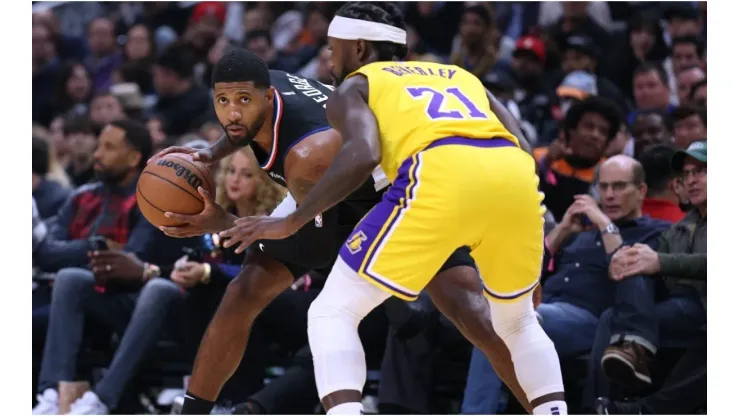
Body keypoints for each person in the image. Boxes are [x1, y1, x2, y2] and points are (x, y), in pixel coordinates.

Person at [220, 2, 567, 414]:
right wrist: (534, 237)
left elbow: (363, 154)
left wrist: (294, 218)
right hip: (513, 180)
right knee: (519, 322)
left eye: (335, 49)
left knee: (333, 311)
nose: (330, 60)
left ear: (361, 50)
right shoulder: (461, 75)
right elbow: (523, 149)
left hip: (438, 173)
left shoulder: (355, 86)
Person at [151, 44, 534, 414]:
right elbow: (243, 129)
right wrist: (210, 153)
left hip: (399, 197)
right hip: (350, 187)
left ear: (267, 97)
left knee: (468, 313)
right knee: (244, 291)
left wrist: (223, 222)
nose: (232, 112)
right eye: (223, 102)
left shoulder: (307, 156)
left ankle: (545, 404)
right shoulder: (265, 85)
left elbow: (313, 247)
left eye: (242, 101)